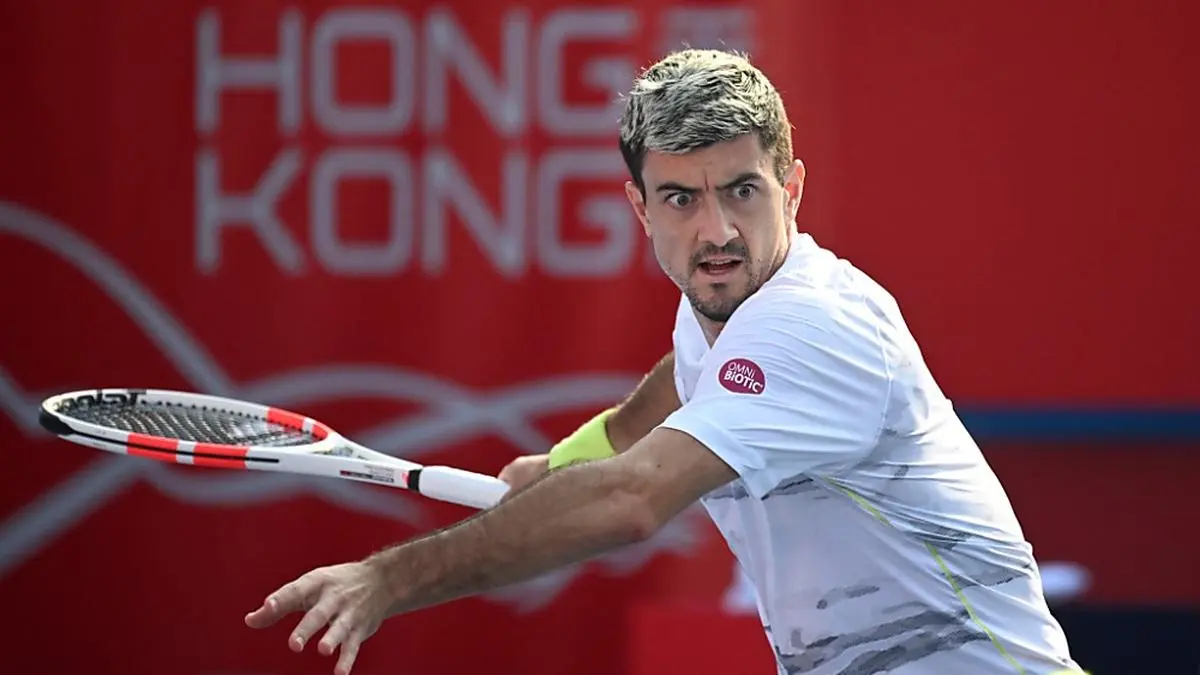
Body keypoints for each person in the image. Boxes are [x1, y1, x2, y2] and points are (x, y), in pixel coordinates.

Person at [244, 48, 1084, 675]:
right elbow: (670, 392)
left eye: (743, 190)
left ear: (791, 188)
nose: (716, 230)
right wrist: (559, 464)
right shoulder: (721, 304)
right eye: (682, 198)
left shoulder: (814, 325)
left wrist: (389, 579)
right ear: (641, 209)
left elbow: (633, 499)